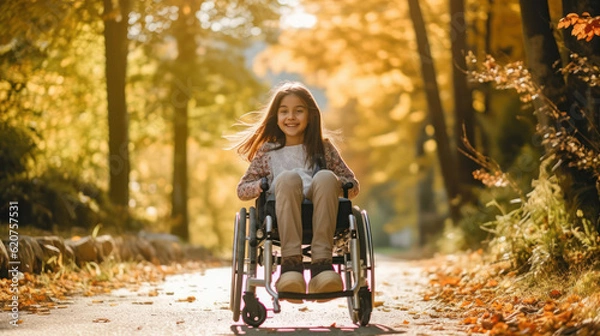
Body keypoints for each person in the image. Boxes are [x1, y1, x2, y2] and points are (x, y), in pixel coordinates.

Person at [232, 81, 359, 300]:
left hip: (322, 210)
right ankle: (291, 267)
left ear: (310, 115)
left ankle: (322, 266)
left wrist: (339, 183)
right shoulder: (267, 152)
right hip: (280, 213)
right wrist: (261, 185)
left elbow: (352, 184)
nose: (291, 117)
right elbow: (242, 190)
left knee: (327, 177)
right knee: (288, 179)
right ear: (276, 117)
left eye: (298, 111)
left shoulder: (323, 148)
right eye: (284, 112)